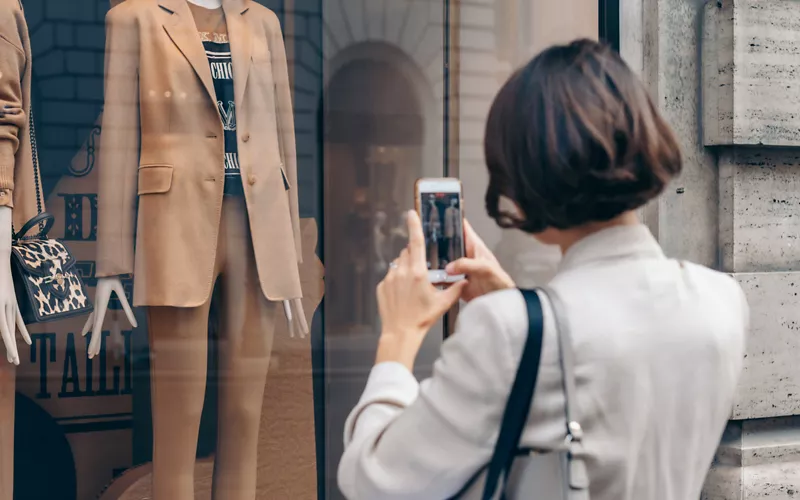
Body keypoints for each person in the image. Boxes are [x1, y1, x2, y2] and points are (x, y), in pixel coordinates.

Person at [337, 39, 748, 500]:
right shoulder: (722, 301)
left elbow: (372, 481)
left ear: (525, 177)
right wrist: (520, 308)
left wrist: (398, 336)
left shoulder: (506, 333)